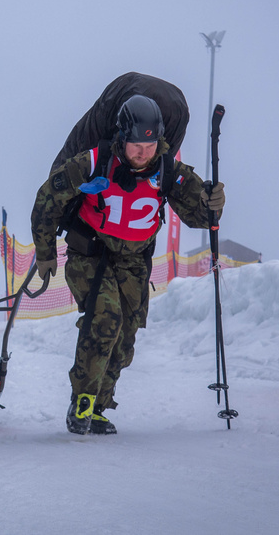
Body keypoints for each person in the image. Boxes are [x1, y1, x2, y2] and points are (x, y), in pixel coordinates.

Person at [30, 93, 225, 435]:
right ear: (122, 138)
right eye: (136, 145)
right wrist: (45, 252)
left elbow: (199, 217)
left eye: (149, 146)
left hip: (135, 261)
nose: (142, 153)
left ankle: (100, 407)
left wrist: (213, 203)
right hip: (91, 253)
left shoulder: (167, 169)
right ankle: (83, 402)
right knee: (105, 319)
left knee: (125, 336)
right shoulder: (93, 162)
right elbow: (47, 200)